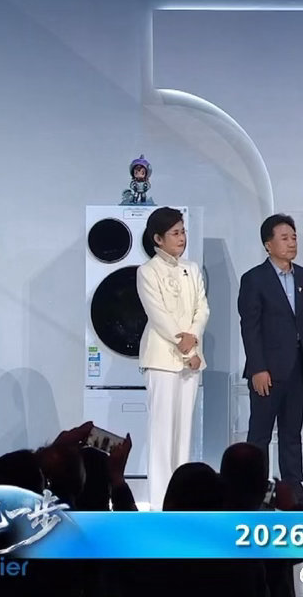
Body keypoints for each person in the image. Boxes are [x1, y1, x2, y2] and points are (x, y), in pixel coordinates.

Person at [238, 214, 303, 511]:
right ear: (268, 244)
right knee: (260, 435)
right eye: (284, 238)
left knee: (292, 433)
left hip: (298, 368)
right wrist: (258, 368)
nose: (291, 243)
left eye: (294, 237)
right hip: (267, 371)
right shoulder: (254, 279)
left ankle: (294, 491)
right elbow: (250, 328)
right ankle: (256, 494)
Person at [136, 206, 209, 511]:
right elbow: (159, 316)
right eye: (175, 233)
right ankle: (159, 502)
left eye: (183, 231)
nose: (181, 238)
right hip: (162, 359)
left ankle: (182, 499)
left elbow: (202, 309)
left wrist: (193, 342)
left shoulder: (192, 268)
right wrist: (187, 347)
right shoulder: (147, 271)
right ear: (158, 238)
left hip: (191, 361)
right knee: (162, 432)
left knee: (184, 431)